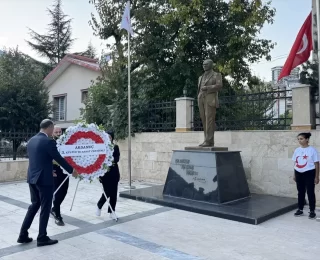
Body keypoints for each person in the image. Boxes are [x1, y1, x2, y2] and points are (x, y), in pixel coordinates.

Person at [17, 119, 78, 247]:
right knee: (45, 208)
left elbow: (39, 159)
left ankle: (23, 234)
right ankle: (42, 237)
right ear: (49, 128)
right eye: (53, 129)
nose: (53, 132)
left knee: (34, 205)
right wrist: (72, 170)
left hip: (32, 178)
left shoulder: (32, 140)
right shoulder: (48, 142)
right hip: (44, 180)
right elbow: (58, 158)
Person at [292, 132, 319, 219]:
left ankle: (312, 211)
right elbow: (296, 163)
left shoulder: (312, 150)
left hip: (309, 173)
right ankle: (300, 209)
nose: (299, 141)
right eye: (298, 139)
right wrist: (294, 174)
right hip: (298, 173)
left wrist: (316, 176)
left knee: (310, 192)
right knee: (300, 192)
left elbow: (317, 164)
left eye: (301, 139)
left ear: (307, 139)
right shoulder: (297, 150)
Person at [197, 59, 223, 147]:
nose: (204, 66)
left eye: (206, 64)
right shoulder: (200, 77)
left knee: (210, 120)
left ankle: (209, 141)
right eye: (203, 64)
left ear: (211, 65)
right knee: (204, 120)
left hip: (210, 99)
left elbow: (219, 86)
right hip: (201, 98)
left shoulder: (217, 75)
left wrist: (207, 87)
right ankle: (207, 140)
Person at [96, 130, 120, 220]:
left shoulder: (115, 147)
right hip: (104, 173)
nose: (108, 138)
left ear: (112, 138)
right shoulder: (100, 147)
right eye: (106, 136)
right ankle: (99, 205)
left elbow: (117, 158)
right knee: (107, 192)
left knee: (113, 193)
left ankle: (112, 211)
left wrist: (109, 158)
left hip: (114, 173)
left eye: (110, 137)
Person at [51, 126, 69, 226]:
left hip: (65, 170)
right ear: (53, 133)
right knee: (57, 193)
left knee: (64, 191)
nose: (58, 133)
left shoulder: (65, 142)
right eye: (56, 132)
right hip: (55, 170)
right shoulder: (51, 143)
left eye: (60, 131)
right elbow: (48, 157)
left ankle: (54, 209)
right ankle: (57, 216)